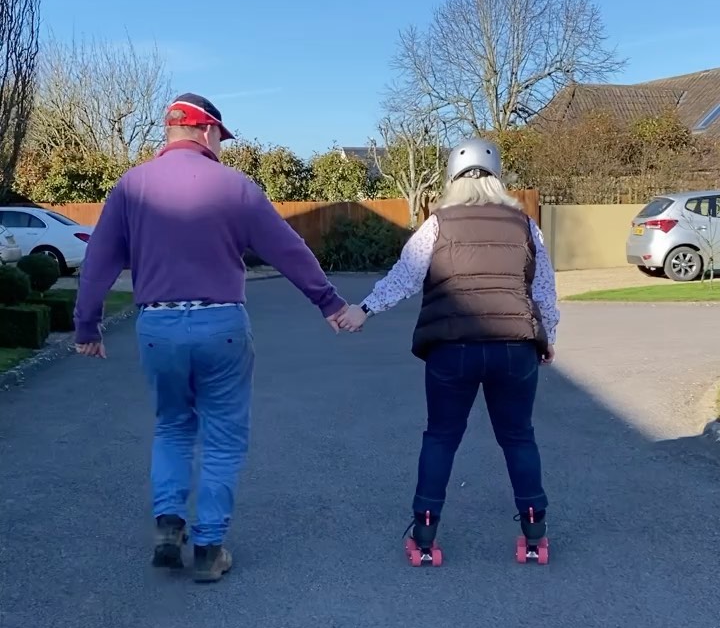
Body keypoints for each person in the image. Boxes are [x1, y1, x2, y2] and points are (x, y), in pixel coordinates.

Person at [74, 92, 348, 584]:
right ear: (207, 130)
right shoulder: (234, 186)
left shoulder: (131, 186)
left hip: (157, 325)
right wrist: (328, 302)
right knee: (222, 438)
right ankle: (208, 549)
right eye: (222, 136)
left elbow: (99, 260)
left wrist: (87, 326)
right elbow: (288, 249)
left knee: (172, 427)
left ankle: (168, 527)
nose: (221, 145)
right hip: (220, 324)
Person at [338, 137, 559, 559]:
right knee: (518, 437)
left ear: (452, 179)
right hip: (515, 348)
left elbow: (406, 275)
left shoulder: (437, 223)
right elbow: (544, 289)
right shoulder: (525, 225)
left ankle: (424, 537)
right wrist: (548, 337)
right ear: (497, 178)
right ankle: (535, 534)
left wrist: (364, 309)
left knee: (441, 437)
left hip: (451, 348)